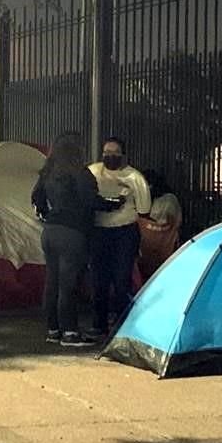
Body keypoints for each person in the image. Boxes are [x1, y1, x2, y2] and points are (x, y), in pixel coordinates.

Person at [32, 133, 121, 347]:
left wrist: (48, 214)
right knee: (68, 284)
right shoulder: (80, 173)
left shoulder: (48, 172)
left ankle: (53, 330)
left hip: (50, 231)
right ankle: (70, 332)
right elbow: (90, 200)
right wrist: (114, 203)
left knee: (52, 282)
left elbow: (36, 198)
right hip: (72, 233)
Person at [88, 137, 152, 335]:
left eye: (115, 153)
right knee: (99, 280)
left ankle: (122, 324)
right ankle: (99, 324)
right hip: (99, 231)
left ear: (123, 155)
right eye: (107, 152)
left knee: (122, 279)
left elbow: (144, 209)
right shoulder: (92, 172)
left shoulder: (134, 177)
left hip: (125, 232)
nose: (110, 156)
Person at [137, 170, 183, 281]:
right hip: (149, 244)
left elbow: (168, 222)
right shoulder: (148, 199)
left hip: (164, 241)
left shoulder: (169, 200)